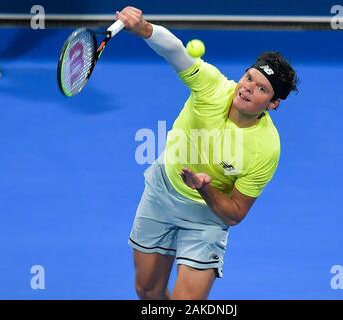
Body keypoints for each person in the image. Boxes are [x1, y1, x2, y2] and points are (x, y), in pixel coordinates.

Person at [116, 6, 299, 300]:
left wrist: (205, 190)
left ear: (273, 103)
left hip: (207, 217)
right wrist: (144, 28)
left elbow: (236, 213)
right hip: (162, 193)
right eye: (249, 77)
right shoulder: (211, 86)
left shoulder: (266, 148)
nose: (248, 88)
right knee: (147, 290)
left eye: (261, 88)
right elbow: (176, 52)